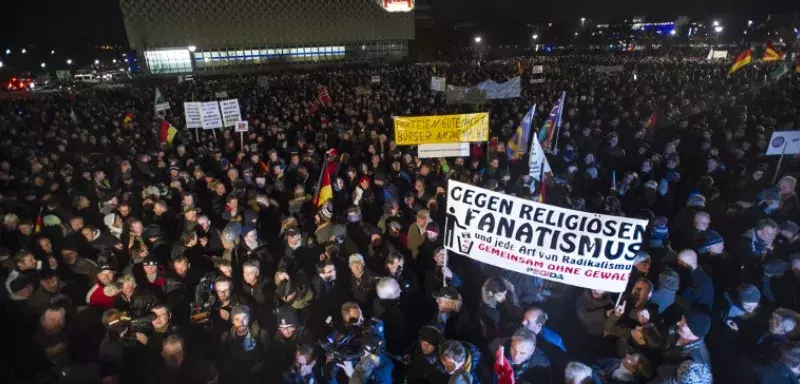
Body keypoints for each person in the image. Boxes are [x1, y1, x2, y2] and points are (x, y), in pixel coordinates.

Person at [218, 305, 270, 384]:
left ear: (249, 318)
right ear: (232, 321)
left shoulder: (261, 335)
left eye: (244, 318)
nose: (241, 323)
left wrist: (262, 365)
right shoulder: (226, 338)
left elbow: (270, 358)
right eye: (237, 319)